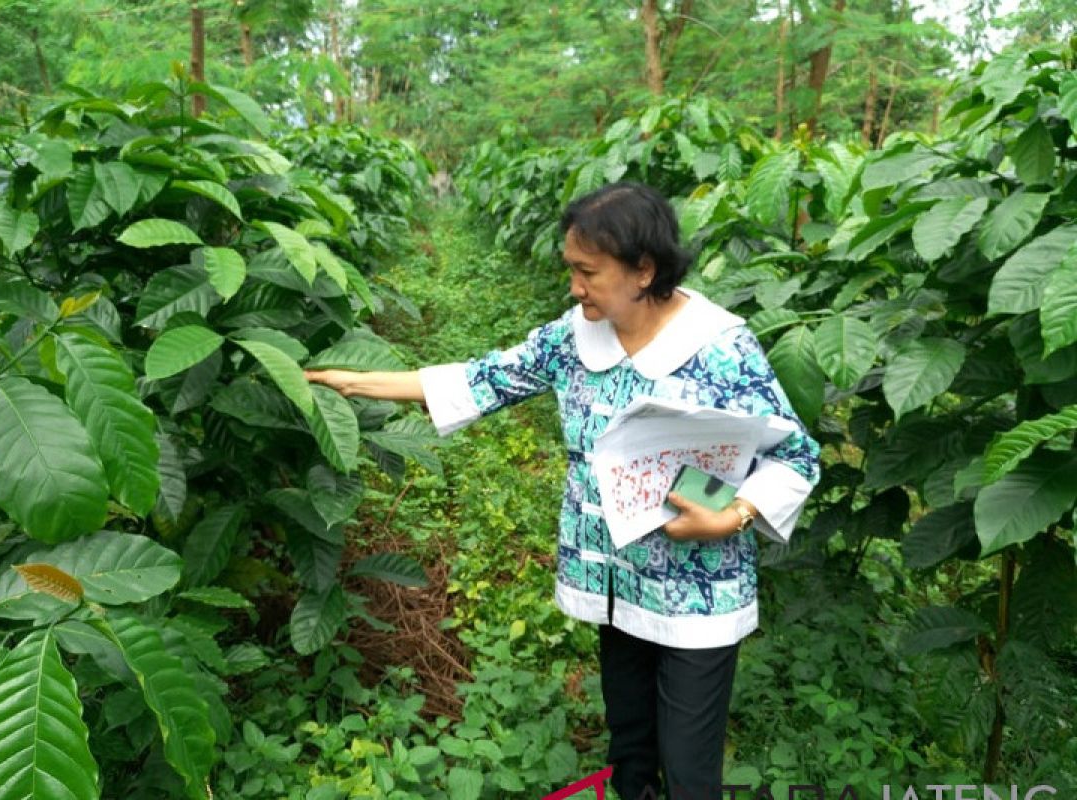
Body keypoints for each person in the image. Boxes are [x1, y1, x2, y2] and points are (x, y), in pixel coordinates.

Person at [305, 181, 820, 800]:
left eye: (588, 272)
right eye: (571, 269)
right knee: (630, 744)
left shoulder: (720, 347)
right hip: (617, 581)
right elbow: (484, 379)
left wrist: (733, 514)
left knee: (688, 767)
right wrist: (354, 383)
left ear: (643, 271)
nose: (575, 287)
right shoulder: (577, 337)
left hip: (697, 591)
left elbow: (794, 455)